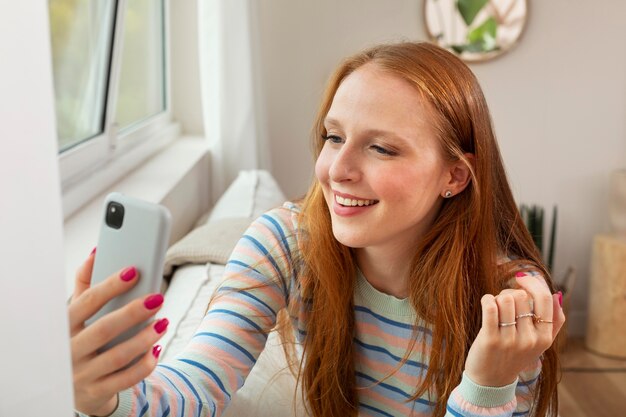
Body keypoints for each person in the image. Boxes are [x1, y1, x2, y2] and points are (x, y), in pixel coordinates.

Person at [70, 42, 565, 417]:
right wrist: (106, 396)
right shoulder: (285, 245)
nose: (336, 169)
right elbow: (198, 381)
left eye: (382, 148)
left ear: (454, 176)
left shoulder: (506, 301)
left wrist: (487, 383)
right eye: (334, 137)